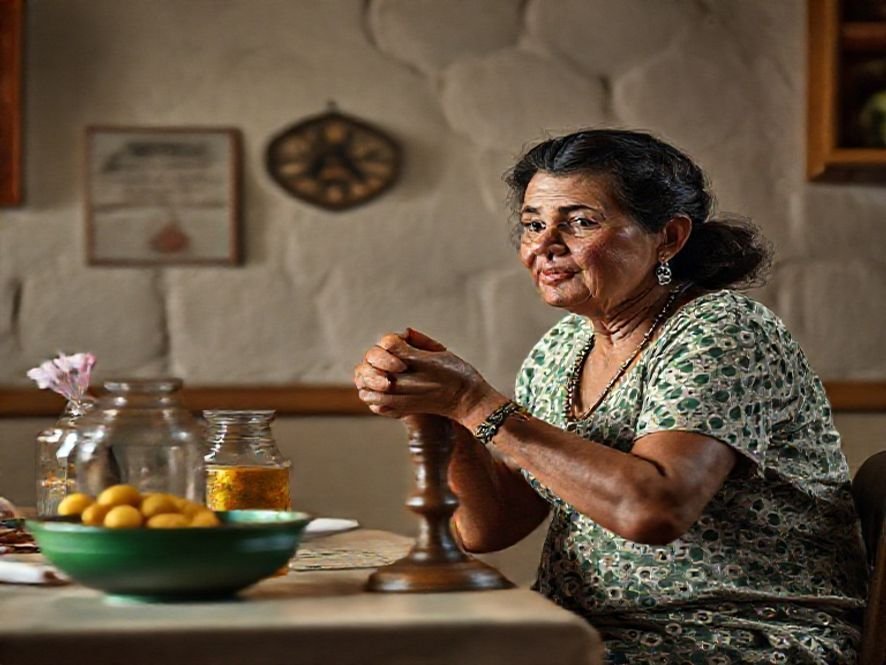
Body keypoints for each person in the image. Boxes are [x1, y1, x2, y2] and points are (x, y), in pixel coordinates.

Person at [353, 129, 868, 664]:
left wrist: (474, 403)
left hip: (732, 633)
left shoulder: (722, 330)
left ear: (668, 238)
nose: (545, 245)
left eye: (580, 222)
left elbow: (654, 509)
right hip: (588, 630)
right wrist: (437, 411)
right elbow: (490, 526)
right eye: (533, 224)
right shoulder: (562, 347)